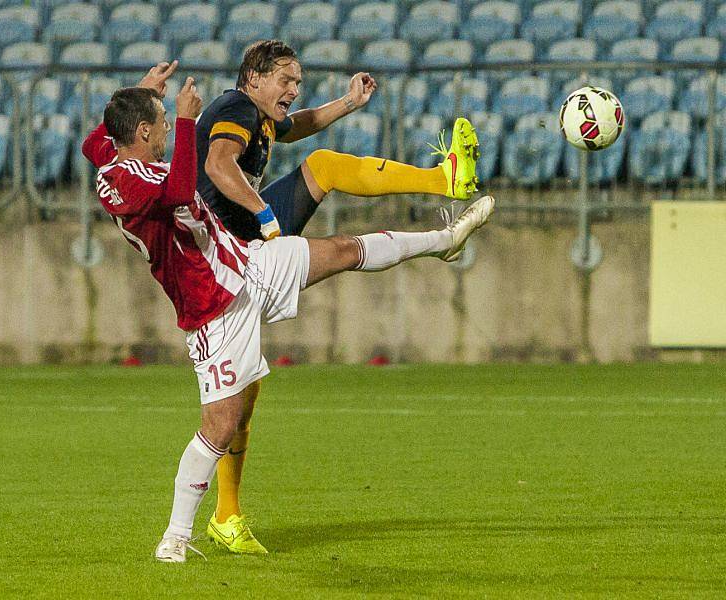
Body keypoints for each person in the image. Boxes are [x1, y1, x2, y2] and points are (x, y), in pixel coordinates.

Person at [82, 65, 495, 563]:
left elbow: (94, 142)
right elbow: (175, 192)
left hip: (247, 262)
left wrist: (144, 94)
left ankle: (445, 241)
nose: (170, 126)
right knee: (221, 424)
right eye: (162, 121)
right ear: (143, 133)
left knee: (342, 249)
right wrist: (190, 122)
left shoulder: (113, 152)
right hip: (213, 306)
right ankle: (176, 535)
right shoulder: (121, 182)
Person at [195, 40, 482, 553]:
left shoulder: (258, 116)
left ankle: (445, 180)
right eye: (287, 80)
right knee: (237, 399)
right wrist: (264, 213)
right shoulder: (233, 108)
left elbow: (297, 126)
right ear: (254, 79)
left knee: (323, 164)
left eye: (298, 81)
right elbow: (218, 164)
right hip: (224, 259)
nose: (294, 89)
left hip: (242, 245)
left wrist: (346, 104)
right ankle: (218, 516)